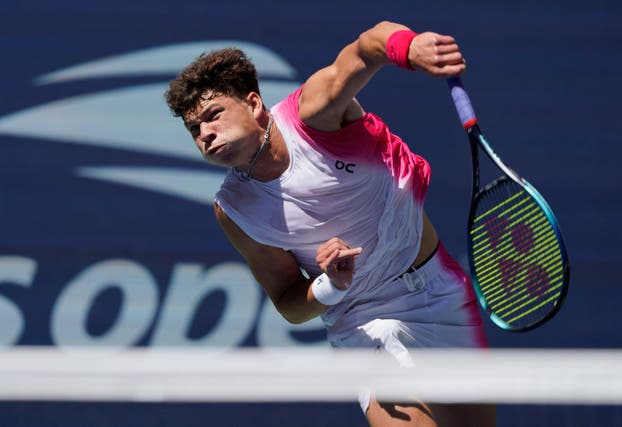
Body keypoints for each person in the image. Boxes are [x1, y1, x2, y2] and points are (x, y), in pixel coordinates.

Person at [165, 20, 495, 427]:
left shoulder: (314, 113)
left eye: (213, 116)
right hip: (363, 320)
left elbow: (364, 48)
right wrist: (330, 284)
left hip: (441, 292)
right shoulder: (234, 208)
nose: (205, 135)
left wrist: (409, 48)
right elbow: (288, 300)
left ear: (253, 104)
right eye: (194, 129)